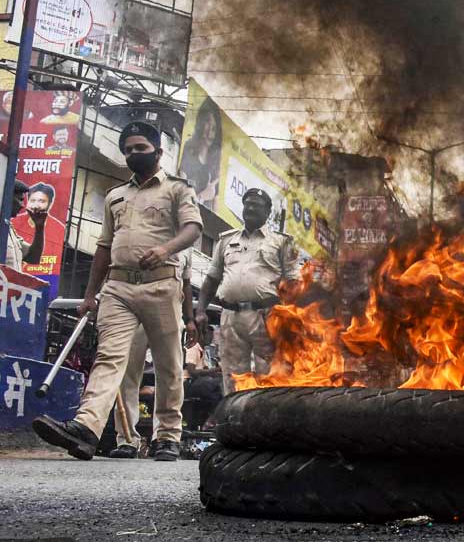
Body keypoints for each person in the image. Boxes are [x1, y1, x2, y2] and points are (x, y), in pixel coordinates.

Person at [32, 121, 203, 461]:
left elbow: (194, 228)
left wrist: (166, 250)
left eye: (140, 148)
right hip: (118, 287)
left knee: (169, 365)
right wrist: (89, 294)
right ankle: (86, 429)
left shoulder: (178, 189)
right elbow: (103, 248)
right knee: (109, 359)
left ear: (158, 150)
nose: (133, 155)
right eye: (127, 150)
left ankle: (167, 436)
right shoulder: (115, 196)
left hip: (162, 285)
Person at [196, 188, 299, 394]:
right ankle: (234, 421)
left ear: (268, 211)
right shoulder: (226, 240)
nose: (251, 208)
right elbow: (211, 279)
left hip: (265, 316)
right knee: (232, 375)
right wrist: (200, 310)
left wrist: (291, 318)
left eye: (257, 205)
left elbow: (293, 284)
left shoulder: (282, 243)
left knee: (268, 374)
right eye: (248, 204)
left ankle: (265, 422)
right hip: (230, 316)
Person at [109, 250, 198, 458]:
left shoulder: (185, 243)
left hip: (169, 310)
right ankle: (127, 440)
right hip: (132, 310)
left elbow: (186, 283)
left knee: (171, 373)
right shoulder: (138, 229)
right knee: (127, 374)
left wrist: (190, 319)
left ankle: (167, 438)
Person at [179, 98, 222, 205]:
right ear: (200, 122)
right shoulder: (187, 152)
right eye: (207, 122)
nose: (209, 133)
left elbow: (215, 212)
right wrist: (203, 196)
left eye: (214, 128)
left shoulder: (217, 167)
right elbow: (181, 201)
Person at [5, 179, 47, 270]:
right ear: (7, 196)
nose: (22, 205)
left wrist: (39, 227)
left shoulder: (9, 229)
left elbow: (33, 258)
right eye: (20, 199)